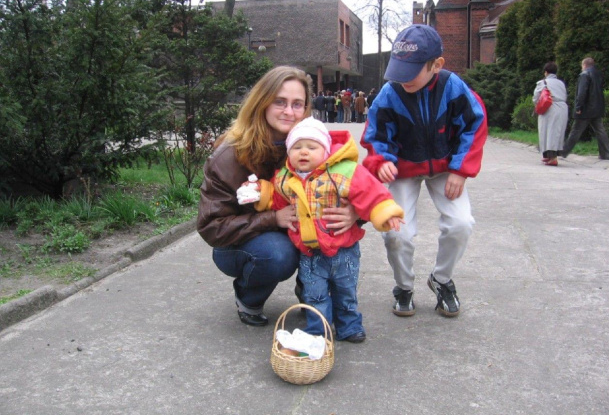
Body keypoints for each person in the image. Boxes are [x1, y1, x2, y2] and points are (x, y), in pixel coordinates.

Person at [197, 66, 357, 327]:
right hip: (238, 243)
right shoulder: (229, 155)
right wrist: (273, 218)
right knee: (278, 254)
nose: (288, 112)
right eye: (279, 102)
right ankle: (249, 297)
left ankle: (311, 293)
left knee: (328, 226)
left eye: (297, 104)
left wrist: (355, 213)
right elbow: (211, 226)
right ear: (262, 102)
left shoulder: (314, 148)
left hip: (294, 231)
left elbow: (358, 188)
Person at [361, 24, 487, 318]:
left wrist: (460, 170)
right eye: (399, 69)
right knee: (396, 233)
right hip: (403, 169)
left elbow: (475, 124)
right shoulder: (390, 93)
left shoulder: (453, 87)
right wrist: (382, 161)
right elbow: (375, 133)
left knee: (461, 223)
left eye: (412, 70)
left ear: (437, 65)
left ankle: (441, 281)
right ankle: (403, 287)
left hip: (446, 166)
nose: (403, 78)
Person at [250, 117, 404, 342]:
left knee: (346, 290)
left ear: (325, 150)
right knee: (314, 294)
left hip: (344, 250)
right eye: (296, 147)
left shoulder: (344, 172)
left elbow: (370, 192)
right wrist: (261, 193)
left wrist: (385, 211)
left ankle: (349, 325)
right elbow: (276, 198)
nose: (304, 152)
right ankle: (318, 329)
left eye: (312, 147)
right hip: (310, 252)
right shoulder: (284, 178)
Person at [562, 57, 609, 160]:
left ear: (584, 65)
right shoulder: (598, 75)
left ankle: (564, 152)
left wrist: (578, 107)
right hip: (597, 108)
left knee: (576, 131)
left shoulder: (584, 75)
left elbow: (582, 93)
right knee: (600, 130)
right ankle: (606, 154)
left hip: (586, 109)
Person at [532, 62, 569, 166]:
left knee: (547, 132)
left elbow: (536, 98)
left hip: (550, 108)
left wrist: (536, 105)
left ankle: (552, 158)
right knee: (557, 133)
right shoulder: (561, 83)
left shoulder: (543, 82)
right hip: (562, 108)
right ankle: (552, 156)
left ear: (546, 72)